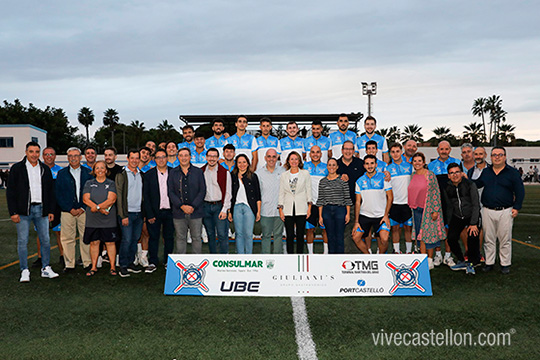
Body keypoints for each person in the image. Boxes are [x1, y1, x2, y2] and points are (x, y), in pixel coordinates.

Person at [7, 141, 59, 282]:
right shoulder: (17, 168)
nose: (34, 155)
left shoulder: (44, 169)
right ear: (26, 152)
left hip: (42, 209)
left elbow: (50, 191)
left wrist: (50, 210)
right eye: (31, 151)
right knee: (23, 241)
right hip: (23, 211)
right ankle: (24, 269)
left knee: (46, 240)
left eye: (36, 152)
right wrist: (13, 212)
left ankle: (46, 268)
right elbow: (11, 192)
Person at [473, 146, 525, 274]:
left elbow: (520, 191)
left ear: (505, 157)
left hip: (505, 210)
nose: (497, 157)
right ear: (490, 157)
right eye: (494, 155)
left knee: (505, 239)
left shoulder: (512, 173)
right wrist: (463, 179)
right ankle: (489, 262)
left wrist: (517, 207)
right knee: (488, 238)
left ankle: (505, 264)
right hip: (487, 210)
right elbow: (477, 184)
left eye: (500, 155)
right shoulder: (486, 172)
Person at [56, 147, 93, 273]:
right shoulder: (62, 173)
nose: (73, 158)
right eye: (70, 156)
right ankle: (69, 264)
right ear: (67, 158)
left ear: (80, 157)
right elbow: (58, 194)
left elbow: (91, 192)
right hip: (67, 212)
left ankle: (87, 262)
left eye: (76, 155)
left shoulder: (88, 173)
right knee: (67, 238)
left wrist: (83, 207)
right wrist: (69, 208)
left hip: (84, 210)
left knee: (86, 237)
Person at [442, 163, 481, 275]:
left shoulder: (470, 184)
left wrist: (473, 223)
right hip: (457, 216)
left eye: (457, 172)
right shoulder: (447, 187)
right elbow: (449, 206)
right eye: (452, 173)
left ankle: (472, 262)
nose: (455, 175)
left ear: (461, 173)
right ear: (448, 175)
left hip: (471, 215)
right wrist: (449, 223)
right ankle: (461, 259)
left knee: (472, 236)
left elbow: (475, 205)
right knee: (451, 238)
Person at [408, 152, 446, 269]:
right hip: (416, 209)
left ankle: (430, 259)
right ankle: (423, 258)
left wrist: (435, 210)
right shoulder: (412, 175)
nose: (417, 163)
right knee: (420, 235)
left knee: (429, 235)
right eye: (415, 161)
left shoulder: (430, 175)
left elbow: (436, 192)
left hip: (428, 209)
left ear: (424, 162)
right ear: (412, 163)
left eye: (420, 161)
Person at [82, 160, 118, 276]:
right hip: (93, 219)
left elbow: (111, 199)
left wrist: (97, 207)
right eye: (97, 168)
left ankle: (112, 267)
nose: (100, 170)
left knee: (110, 242)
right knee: (94, 242)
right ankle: (93, 267)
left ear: (106, 170)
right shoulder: (89, 183)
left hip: (108, 218)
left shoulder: (111, 183)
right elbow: (85, 199)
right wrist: (98, 209)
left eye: (102, 168)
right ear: (94, 171)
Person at [428, 140, 461, 267]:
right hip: (437, 201)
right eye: (441, 149)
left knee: (450, 229)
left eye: (446, 149)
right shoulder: (431, 165)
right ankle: (438, 255)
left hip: (452, 202)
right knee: (436, 229)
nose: (444, 151)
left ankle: (448, 256)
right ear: (437, 150)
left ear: (450, 150)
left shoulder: (457, 163)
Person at [168, 148, 206, 254]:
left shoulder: (198, 172)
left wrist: (193, 206)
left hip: (196, 211)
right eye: (181, 155)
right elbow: (170, 192)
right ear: (177, 157)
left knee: (197, 238)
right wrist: (181, 206)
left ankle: (196, 263)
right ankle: (182, 264)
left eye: (186, 155)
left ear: (190, 157)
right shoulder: (173, 173)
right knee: (180, 238)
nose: (183, 158)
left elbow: (202, 190)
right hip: (178, 211)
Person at [352, 155, 393, 254]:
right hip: (365, 215)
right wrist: (356, 221)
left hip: (380, 216)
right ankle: (368, 256)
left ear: (376, 164)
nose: (369, 166)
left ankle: (380, 257)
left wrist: (386, 215)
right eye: (367, 163)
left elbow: (390, 197)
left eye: (372, 163)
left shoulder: (384, 178)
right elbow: (358, 202)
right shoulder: (359, 181)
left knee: (384, 239)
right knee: (356, 237)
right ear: (364, 166)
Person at [143, 149, 174, 272]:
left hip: (171, 211)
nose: (161, 159)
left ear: (167, 158)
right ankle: (153, 261)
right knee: (153, 237)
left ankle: (168, 261)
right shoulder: (148, 175)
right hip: (155, 213)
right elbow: (146, 196)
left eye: (163, 157)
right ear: (154, 160)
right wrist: (149, 214)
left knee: (169, 237)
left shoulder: (174, 173)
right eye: (158, 157)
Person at [33, 147, 63, 268]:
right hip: (41, 206)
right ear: (43, 156)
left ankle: (63, 256)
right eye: (46, 154)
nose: (49, 156)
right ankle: (40, 258)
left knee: (59, 232)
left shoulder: (60, 171)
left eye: (51, 154)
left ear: (55, 156)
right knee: (41, 233)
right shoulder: (37, 170)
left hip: (57, 206)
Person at [116, 150, 145, 277]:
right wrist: (123, 216)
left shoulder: (141, 174)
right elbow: (119, 196)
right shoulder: (121, 175)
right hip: (127, 214)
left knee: (134, 239)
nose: (134, 160)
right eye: (132, 158)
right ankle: (122, 265)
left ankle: (130, 263)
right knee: (126, 240)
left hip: (139, 213)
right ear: (127, 158)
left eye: (137, 158)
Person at [278, 151, 312, 254]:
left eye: (296, 159)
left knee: (301, 235)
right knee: (289, 235)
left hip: (301, 208)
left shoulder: (305, 173)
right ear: (288, 161)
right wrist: (280, 209)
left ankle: (300, 256)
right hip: (288, 208)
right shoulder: (284, 175)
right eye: (291, 159)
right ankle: (290, 257)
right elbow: (281, 192)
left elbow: (308, 190)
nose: (294, 161)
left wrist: (309, 207)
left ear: (299, 161)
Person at [317, 158, 352, 254]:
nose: (331, 167)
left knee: (339, 236)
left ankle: (340, 259)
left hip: (340, 210)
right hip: (327, 211)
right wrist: (320, 216)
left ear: (337, 167)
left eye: (333, 165)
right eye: (329, 165)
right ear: (327, 167)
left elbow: (347, 198)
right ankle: (331, 257)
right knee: (330, 236)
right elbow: (321, 199)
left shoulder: (342, 180)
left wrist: (348, 214)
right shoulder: (322, 181)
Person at [336, 141, 365, 253]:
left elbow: (371, 173)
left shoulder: (360, 164)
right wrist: (338, 176)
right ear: (342, 150)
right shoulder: (336, 164)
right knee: (342, 232)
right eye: (346, 149)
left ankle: (355, 256)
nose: (348, 151)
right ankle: (343, 257)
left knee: (355, 232)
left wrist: (385, 173)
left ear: (354, 151)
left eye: (350, 149)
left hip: (357, 204)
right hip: (340, 205)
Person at [202, 148, 232, 254]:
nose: (212, 158)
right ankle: (213, 258)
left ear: (218, 158)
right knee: (210, 234)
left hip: (219, 206)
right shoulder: (201, 171)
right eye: (210, 156)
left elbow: (228, 192)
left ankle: (223, 258)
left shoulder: (225, 172)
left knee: (222, 234)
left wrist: (225, 209)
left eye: (214, 156)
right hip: (205, 207)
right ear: (206, 157)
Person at [229, 154, 261, 254]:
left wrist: (258, 212)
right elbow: (229, 195)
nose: (242, 164)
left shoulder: (253, 176)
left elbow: (258, 195)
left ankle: (248, 256)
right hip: (236, 207)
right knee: (239, 233)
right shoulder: (232, 176)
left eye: (244, 162)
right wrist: (229, 211)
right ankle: (240, 256)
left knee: (248, 234)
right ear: (236, 164)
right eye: (239, 162)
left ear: (248, 163)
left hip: (249, 208)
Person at [256, 149, 285, 254]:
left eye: (274, 156)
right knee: (266, 235)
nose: (271, 159)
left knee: (278, 235)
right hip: (265, 210)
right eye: (269, 156)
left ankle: (278, 259)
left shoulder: (283, 171)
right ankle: (265, 259)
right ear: (265, 158)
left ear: (277, 157)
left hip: (280, 210)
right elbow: (257, 193)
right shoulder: (258, 173)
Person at [386, 143, 414, 254]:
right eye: (393, 152)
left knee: (408, 228)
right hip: (394, 203)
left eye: (397, 151)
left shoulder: (409, 166)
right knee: (395, 228)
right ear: (390, 153)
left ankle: (408, 251)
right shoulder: (387, 169)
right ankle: (397, 251)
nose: (395, 154)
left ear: (401, 152)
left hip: (408, 203)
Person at [304, 146, 329, 254]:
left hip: (324, 204)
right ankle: (310, 254)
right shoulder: (304, 166)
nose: (315, 154)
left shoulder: (327, 167)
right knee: (310, 230)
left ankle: (326, 253)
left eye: (318, 152)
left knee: (325, 230)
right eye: (313, 152)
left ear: (321, 154)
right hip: (309, 204)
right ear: (309, 154)